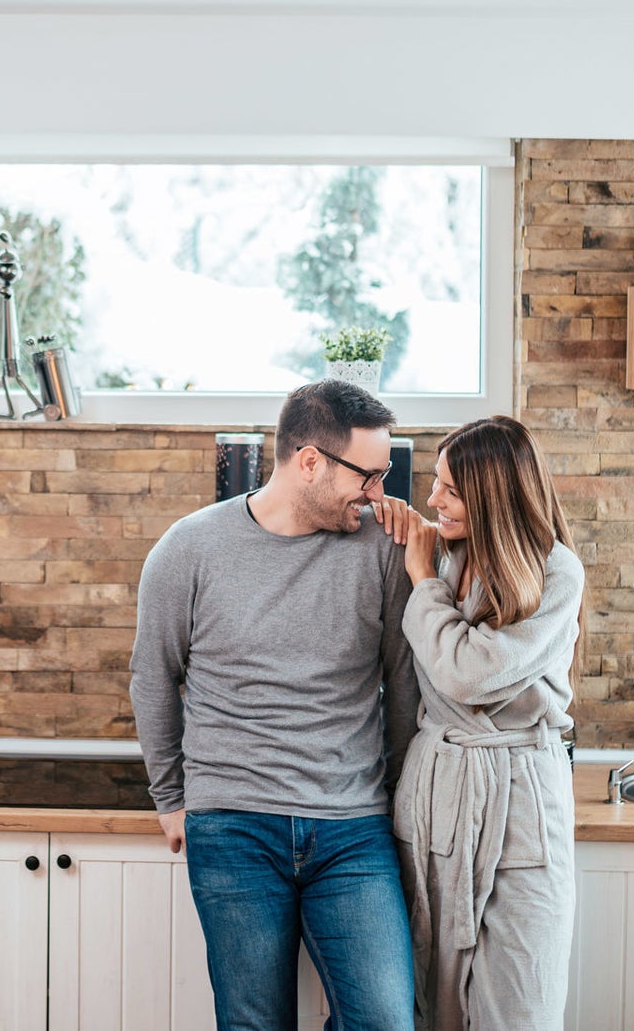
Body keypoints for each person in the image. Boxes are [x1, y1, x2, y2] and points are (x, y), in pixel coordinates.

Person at [130, 379, 422, 1031]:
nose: (379, 492)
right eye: (369, 475)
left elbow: (403, 685)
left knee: (385, 1020)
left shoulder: (382, 547)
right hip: (232, 825)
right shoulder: (191, 548)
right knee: (254, 1023)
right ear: (310, 461)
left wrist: (395, 799)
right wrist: (171, 798)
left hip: (351, 830)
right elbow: (153, 676)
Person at [371, 415, 583, 1031]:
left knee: (521, 1002)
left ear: (496, 495)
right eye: (435, 484)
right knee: (429, 999)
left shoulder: (555, 570)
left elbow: (468, 672)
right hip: (437, 792)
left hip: (519, 797)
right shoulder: (449, 557)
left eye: (450, 491)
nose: (433, 501)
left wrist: (419, 580)